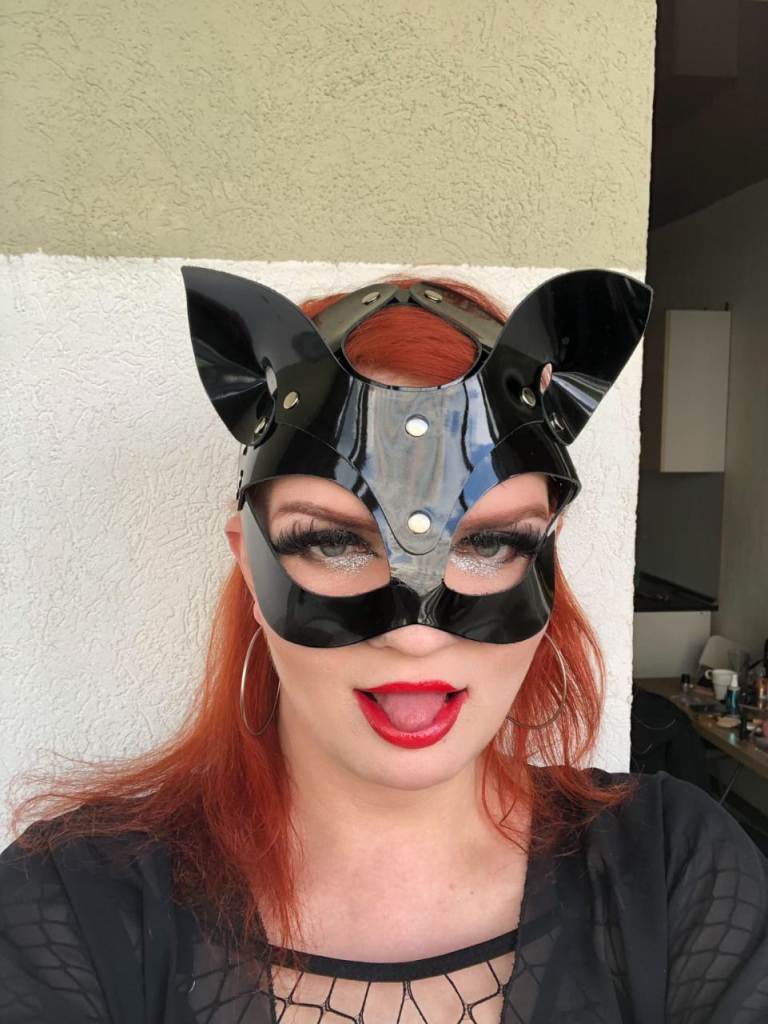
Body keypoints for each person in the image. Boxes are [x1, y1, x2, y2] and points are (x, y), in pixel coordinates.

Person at [1, 268, 766, 1023]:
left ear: (546, 557)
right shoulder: (70, 907)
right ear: (252, 566)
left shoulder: (676, 869)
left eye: (490, 543)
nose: (415, 636)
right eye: (334, 542)